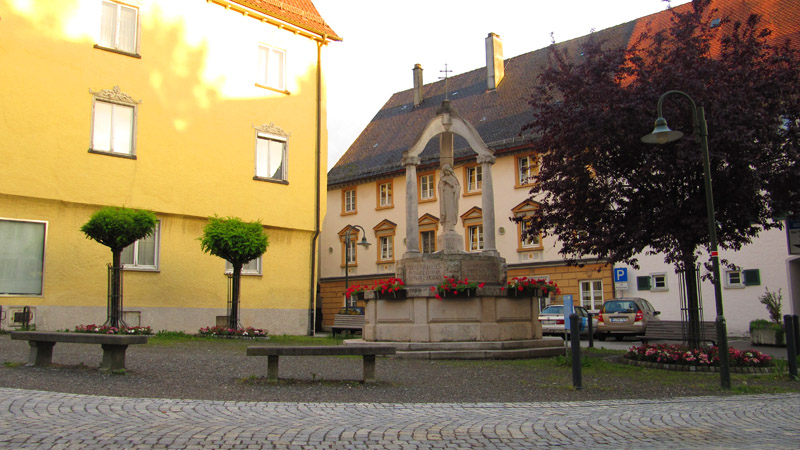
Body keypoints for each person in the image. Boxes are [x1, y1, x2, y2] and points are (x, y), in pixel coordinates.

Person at [438, 164, 460, 232]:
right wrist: (442, 186)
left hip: (451, 198)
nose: (446, 173)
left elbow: (457, 187)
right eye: (444, 171)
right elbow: (439, 188)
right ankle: (445, 227)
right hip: (445, 197)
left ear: (449, 171)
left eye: (446, 171)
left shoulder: (453, 178)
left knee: (451, 211)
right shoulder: (442, 179)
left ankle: (451, 227)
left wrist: (450, 183)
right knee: (446, 211)